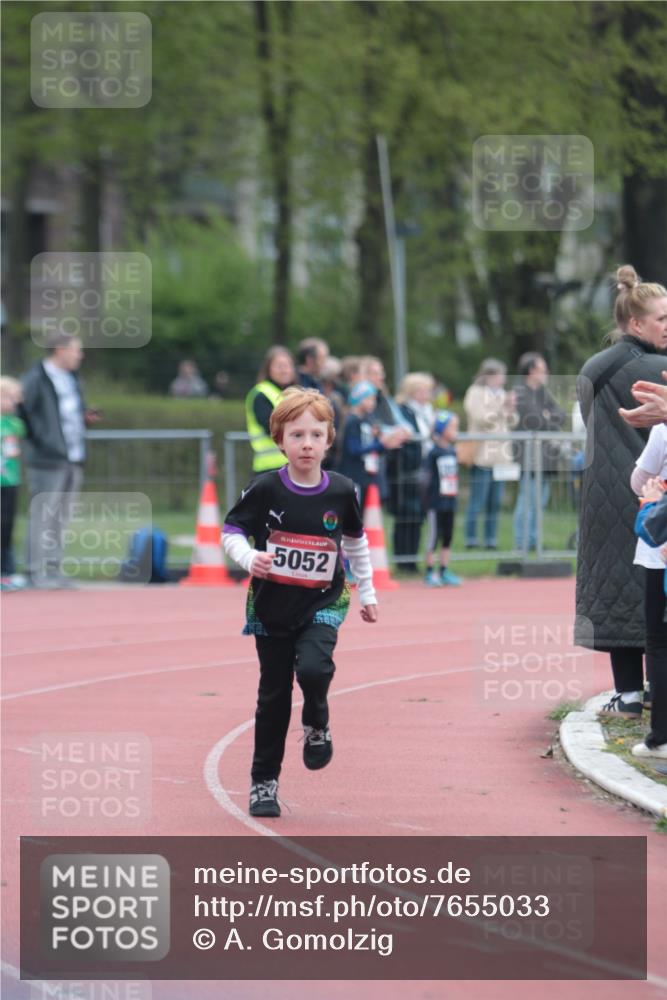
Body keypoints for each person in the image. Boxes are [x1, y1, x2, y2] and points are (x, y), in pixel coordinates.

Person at [222, 388, 377, 817]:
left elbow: (355, 542)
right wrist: (249, 557)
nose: (306, 443)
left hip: (324, 600)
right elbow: (231, 530)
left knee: (314, 668)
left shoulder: (342, 490)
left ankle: (316, 724)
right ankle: (263, 782)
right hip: (271, 607)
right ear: (280, 440)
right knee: (272, 695)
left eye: (315, 434)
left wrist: (368, 592)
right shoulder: (265, 488)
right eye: (296, 435)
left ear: (329, 440)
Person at [575, 264, 667, 717]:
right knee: (655, 589)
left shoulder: (595, 367)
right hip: (655, 493)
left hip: (606, 497)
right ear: (636, 323)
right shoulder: (663, 369)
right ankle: (656, 689)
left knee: (617, 585)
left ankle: (627, 693)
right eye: (663, 319)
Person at [19, 334, 98, 588]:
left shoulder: (72, 378)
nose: (80, 355)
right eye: (76, 350)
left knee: (61, 517)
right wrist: (41, 440)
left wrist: (85, 418)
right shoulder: (36, 378)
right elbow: (22, 411)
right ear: (60, 350)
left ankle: (54, 569)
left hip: (73, 456)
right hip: (46, 459)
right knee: (42, 514)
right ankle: (34, 570)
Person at [628, 428, 667, 728]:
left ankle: (660, 734)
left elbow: (638, 481)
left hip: (660, 546)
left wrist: (651, 499)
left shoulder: (663, 429)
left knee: (657, 639)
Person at [512, 352, 566, 552]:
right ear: (531, 371)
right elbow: (534, 419)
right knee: (527, 500)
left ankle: (533, 541)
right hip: (529, 457)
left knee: (540, 502)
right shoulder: (520, 392)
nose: (547, 373)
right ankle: (521, 543)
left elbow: (560, 415)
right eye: (543, 369)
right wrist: (547, 417)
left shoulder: (542, 393)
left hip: (547, 458)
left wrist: (548, 416)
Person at [463, 359, 517, 550]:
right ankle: (470, 538)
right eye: (500, 375)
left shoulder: (502, 394)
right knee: (478, 499)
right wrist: (502, 408)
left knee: (495, 501)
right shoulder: (475, 393)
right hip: (482, 455)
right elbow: (481, 418)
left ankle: (490, 539)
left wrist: (510, 408)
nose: (503, 379)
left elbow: (513, 421)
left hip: (500, 456)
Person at [388, 373, 436, 574]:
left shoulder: (428, 411)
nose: (428, 394)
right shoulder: (402, 411)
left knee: (418, 515)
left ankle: (413, 559)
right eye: (424, 390)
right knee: (406, 514)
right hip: (406, 471)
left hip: (424, 469)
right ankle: (403, 559)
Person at [421, 411, 461, 587]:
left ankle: (444, 569)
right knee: (433, 537)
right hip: (436, 502)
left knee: (448, 536)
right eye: (452, 427)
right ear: (442, 429)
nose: (456, 430)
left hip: (450, 500)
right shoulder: (433, 453)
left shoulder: (453, 451)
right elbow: (427, 477)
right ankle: (430, 571)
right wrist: (427, 499)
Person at [245, 347, 295, 474]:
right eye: (279, 366)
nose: (284, 370)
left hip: (293, 465)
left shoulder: (293, 393)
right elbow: (271, 428)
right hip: (269, 468)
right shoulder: (261, 394)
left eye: (288, 365)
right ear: (268, 369)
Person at [0, 377, 27, 590]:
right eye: (10, 397)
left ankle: (7, 570)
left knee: (7, 525)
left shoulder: (14, 423)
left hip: (9, 480)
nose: (15, 402)